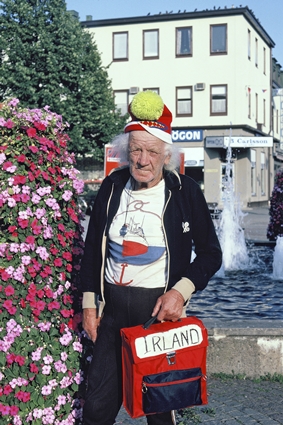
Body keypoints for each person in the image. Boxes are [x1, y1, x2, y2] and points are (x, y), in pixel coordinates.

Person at [80, 90, 222, 425]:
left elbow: (210, 254)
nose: (143, 160)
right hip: (111, 314)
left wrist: (180, 292)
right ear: (125, 152)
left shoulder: (185, 191)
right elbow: (91, 249)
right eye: (136, 151)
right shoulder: (112, 186)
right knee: (96, 409)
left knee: (159, 413)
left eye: (152, 152)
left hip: (158, 316)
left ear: (166, 154)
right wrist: (89, 303)